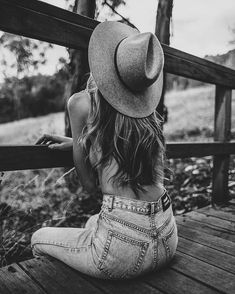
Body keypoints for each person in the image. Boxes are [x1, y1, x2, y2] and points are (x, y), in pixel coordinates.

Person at [31, 21, 178, 280]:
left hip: (123, 253)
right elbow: (120, 142)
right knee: (90, 223)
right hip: (167, 236)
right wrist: (79, 140)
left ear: (106, 62)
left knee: (38, 238)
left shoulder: (80, 103)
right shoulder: (147, 115)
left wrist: (81, 143)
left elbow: (89, 185)